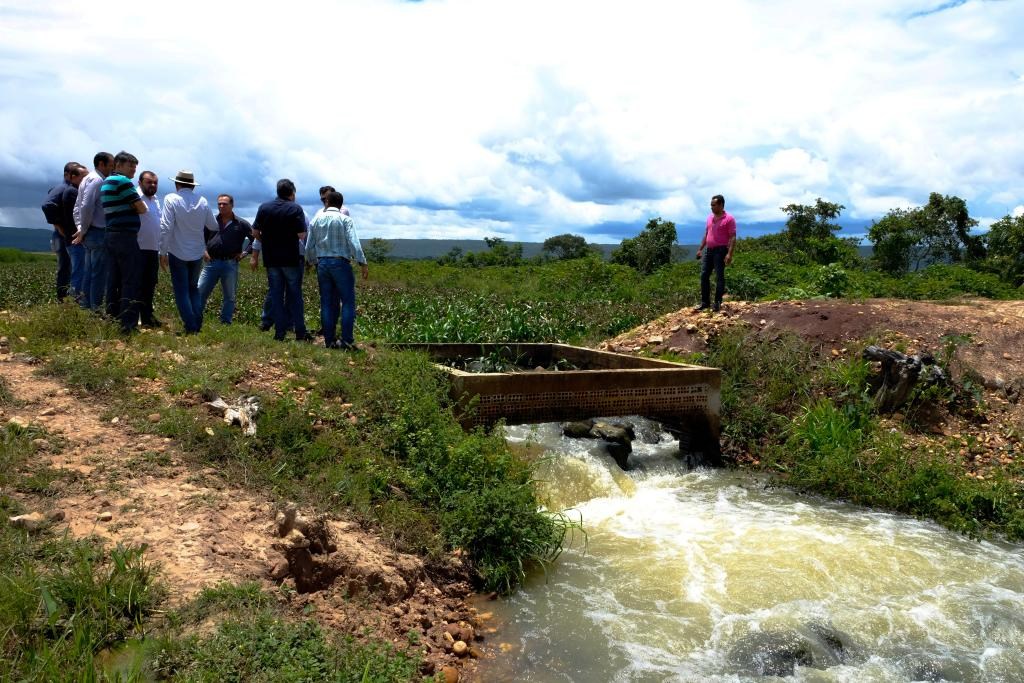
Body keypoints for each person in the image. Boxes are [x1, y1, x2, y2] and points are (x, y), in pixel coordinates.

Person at [305, 190, 368, 349]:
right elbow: (354, 243)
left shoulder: (315, 220)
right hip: (340, 262)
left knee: (326, 302)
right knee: (347, 302)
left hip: (322, 264)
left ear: (327, 202)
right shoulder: (345, 220)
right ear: (341, 204)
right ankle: (346, 340)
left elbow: (309, 246)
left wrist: (312, 262)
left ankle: (329, 340)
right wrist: (362, 262)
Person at [159, 170, 218, 334]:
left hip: (177, 251)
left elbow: (166, 227)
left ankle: (191, 326)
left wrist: (162, 251)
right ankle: (196, 324)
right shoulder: (203, 201)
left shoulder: (171, 199)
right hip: (197, 252)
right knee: (193, 289)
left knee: (181, 290)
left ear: (176, 184)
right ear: (192, 185)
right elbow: (213, 226)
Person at [252, 179, 309, 342]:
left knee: (276, 295)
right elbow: (301, 235)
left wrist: (266, 240)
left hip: (271, 258)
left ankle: (279, 333)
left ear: (277, 191)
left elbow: (254, 231)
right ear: (292, 193)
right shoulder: (296, 208)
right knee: (295, 295)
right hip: (290, 258)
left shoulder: (264, 207)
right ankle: (300, 332)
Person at [100, 151, 148, 334]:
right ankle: (128, 324)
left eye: (135, 167)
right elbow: (141, 208)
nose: (134, 170)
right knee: (130, 280)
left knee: (113, 279)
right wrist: (134, 206)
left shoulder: (106, 182)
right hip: (125, 236)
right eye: (131, 166)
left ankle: (112, 319)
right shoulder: (123, 182)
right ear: (118, 165)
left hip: (111, 234)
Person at [197, 194, 252, 324]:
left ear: (232, 205)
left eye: (224, 204)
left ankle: (225, 322)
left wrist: (244, 253)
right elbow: (200, 237)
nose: (221, 206)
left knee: (229, 296)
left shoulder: (242, 223)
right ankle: (196, 319)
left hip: (230, 263)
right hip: (211, 262)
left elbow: (254, 240)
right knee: (200, 291)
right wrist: (204, 251)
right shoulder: (211, 221)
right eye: (219, 204)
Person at [72, 152, 115, 311]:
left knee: (89, 272)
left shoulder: (86, 179)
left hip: (90, 231)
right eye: (111, 165)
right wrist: (82, 229)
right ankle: (95, 309)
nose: (112, 168)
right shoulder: (97, 181)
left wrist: (80, 228)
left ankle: (86, 306)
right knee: (98, 274)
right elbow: (86, 206)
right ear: (102, 164)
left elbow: (78, 207)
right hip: (97, 231)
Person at [40, 162, 85, 301]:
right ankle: (63, 300)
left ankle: (65, 300)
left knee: (69, 268)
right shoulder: (63, 188)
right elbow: (47, 205)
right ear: (67, 175)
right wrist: (58, 225)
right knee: (66, 268)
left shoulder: (68, 188)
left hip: (64, 234)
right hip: (63, 235)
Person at [695, 194, 736, 313]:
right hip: (709, 250)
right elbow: (706, 234)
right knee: (704, 275)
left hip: (721, 250)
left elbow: (733, 237)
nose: (711, 207)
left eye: (714, 205)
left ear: (721, 205)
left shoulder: (729, 219)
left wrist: (729, 254)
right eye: (711, 205)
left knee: (719, 277)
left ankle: (717, 303)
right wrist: (700, 249)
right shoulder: (709, 218)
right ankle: (705, 303)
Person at [137, 171, 163, 327]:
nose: (153, 185)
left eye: (155, 183)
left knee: (150, 284)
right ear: (140, 183)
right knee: (137, 283)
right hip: (138, 248)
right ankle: (136, 316)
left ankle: (147, 316)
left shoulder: (156, 200)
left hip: (153, 248)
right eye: (149, 182)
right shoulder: (135, 197)